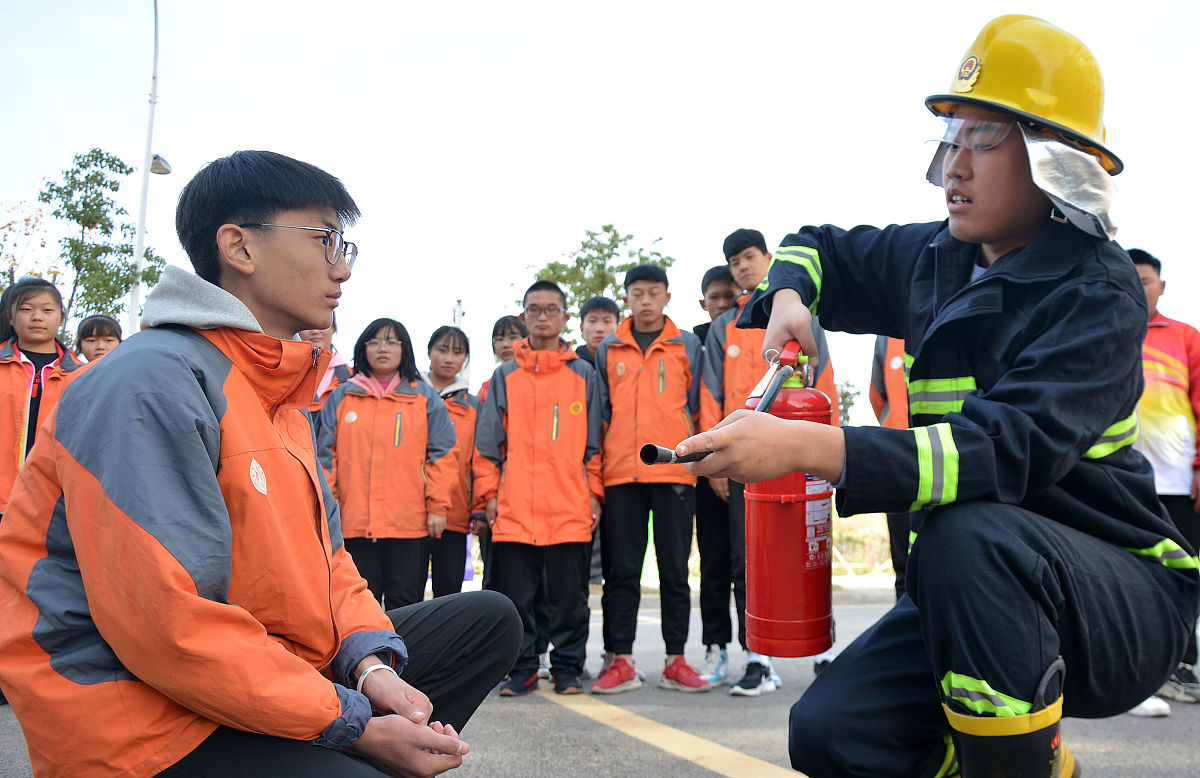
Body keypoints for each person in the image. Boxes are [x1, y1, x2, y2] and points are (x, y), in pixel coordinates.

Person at [677, 17, 1199, 776]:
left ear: (1052, 160)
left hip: (1116, 600)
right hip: (971, 588)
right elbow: (821, 244)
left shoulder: (1097, 290)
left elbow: (1000, 449)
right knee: (832, 733)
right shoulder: (937, 258)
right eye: (948, 140)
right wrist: (791, 294)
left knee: (967, 533)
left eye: (982, 140)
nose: (954, 166)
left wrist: (803, 448)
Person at [0, 150, 520, 777]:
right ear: (239, 248)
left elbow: (328, 562)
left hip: (247, 671)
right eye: (326, 239)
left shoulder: (274, 393)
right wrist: (350, 725)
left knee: (487, 620)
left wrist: (370, 668)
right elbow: (168, 629)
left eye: (345, 244)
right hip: (140, 712)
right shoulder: (150, 382)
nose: (343, 269)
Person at [699, 228, 839, 696]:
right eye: (734, 260)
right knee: (749, 557)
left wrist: (831, 453)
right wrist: (714, 457)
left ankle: (824, 652)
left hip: (802, 455)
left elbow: (826, 387)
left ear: (769, 258)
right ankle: (758, 659)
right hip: (745, 458)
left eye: (748, 257)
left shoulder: (803, 318)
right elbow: (709, 395)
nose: (742, 267)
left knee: (811, 548)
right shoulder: (725, 328)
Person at [475, 280, 603, 696]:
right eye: (535, 310)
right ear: (523, 316)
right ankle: (523, 669)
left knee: (570, 600)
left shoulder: (583, 374)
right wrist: (489, 498)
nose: (543, 316)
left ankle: (567, 668)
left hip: (570, 504)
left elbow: (595, 446)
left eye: (551, 309)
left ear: (565, 317)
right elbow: (488, 447)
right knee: (518, 599)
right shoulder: (505, 375)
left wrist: (594, 494)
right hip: (514, 508)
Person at [591, 264, 708, 694]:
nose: (645, 300)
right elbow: (600, 413)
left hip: (676, 468)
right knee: (621, 572)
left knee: (674, 569)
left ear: (666, 297)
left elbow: (700, 406)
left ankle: (676, 660)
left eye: (653, 292)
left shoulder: (688, 345)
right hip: (621, 472)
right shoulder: (609, 350)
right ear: (626, 297)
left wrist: (702, 460)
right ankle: (620, 660)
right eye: (637, 293)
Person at [318, 318, 458, 608]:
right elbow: (324, 458)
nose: (383, 348)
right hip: (353, 523)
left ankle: (404, 656)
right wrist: (330, 511)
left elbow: (442, 455)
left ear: (404, 349)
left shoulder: (424, 397)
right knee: (358, 604)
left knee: (406, 604)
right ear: (363, 348)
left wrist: (438, 506)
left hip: (408, 523)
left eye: (392, 342)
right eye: (375, 341)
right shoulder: (343, 395)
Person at [1126, 248, 1200, 717]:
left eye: (1147, 280)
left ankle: (1182, 665)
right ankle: (1137, 672)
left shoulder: (1186, 338)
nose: (1139, 286)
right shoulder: (1102, 326)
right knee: (1130, 577)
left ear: (1162, 286)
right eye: (1130, 278)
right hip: (1123, 481)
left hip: (1176, 480)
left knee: (1184, 573)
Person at [693, 264, 741, 688]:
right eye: (716, 298)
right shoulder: (693, 342)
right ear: (703, 303)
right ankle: (715, 646)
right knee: (714, 562)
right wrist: (712, 464)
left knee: (751, 561)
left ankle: (758, 651)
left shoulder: (750, 331)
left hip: (751, 463)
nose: (724, 304)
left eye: (731, 296)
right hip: (707, 467)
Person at [0, 276, 82, 518]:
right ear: (11, 317)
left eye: (47, 310)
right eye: (26, 309)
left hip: (52, 504)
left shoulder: (80, 376)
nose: (37, 317)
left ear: (61, 317)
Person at [422, 325, 482, 598]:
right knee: (405, 595)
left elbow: (479, 460)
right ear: (429, 352)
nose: (448, 358)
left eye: (457, 352)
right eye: (442, 350)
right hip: (409, 515)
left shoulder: (473, 406)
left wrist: (477, 507)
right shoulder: (411, 397)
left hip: (456, 513)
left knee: (449, 595)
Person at [869, 335, 911, 601]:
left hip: (948, 455)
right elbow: (877, 396)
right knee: (902, 558)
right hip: (898, 460)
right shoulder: (886, 338)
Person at [299, 314, 349, 441]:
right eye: (308, 325)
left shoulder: (353, 379)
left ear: (334, 329)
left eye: (322, 324)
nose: (315, 331)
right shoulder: (287, 377)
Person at [575, 295, 620, 367]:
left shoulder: (628, 364)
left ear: (618, 328)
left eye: (607, 321)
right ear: (582, 328)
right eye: (593, 321)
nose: (599, 329)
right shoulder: (570, 365)